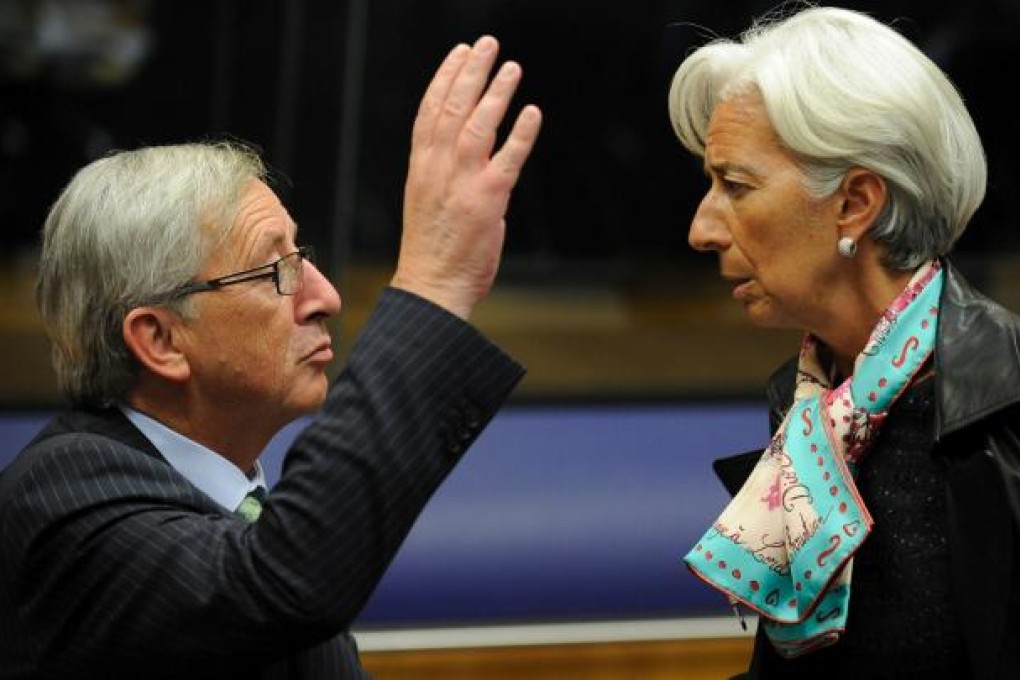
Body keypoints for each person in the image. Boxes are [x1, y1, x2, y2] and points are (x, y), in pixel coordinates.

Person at [0, 36, 541, 679]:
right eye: (275, 270)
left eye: (303, 258)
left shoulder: (234, 497)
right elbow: (285, 581)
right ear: (161, 340)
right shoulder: (63, 497)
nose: (326, 298)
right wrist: (432, 284)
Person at [667, 4, 1019, 679]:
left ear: (856, 203)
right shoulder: (817, 405)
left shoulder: (1005, 407)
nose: (702, 230)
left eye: (734, 186)